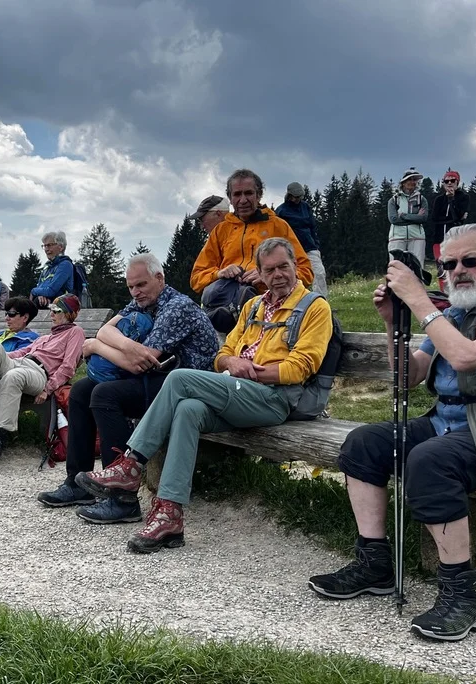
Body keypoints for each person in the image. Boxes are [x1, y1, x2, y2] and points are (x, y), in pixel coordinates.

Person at [307, 223, 476, 642]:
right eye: (448, 264)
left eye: (469, 261)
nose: (457, 271)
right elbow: (408, 377)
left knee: (429, 460)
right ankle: (374, 563)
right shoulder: (457, 314)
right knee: (364, 444)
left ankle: (463, 595)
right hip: (451, 421)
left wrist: (419, 300)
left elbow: (466, 357)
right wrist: (395, 321)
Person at [78, 238, 332, 553]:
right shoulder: (253, 305)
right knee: (188, 410)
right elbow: (222, 354)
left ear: (295, 266)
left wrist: (248, 370)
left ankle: (131, 466)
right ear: (260, 274)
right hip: (238, 390)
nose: (278, 274)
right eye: (269, 269)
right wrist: (232, 363)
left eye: (284, 266)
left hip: (275, 397)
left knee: (179, 379)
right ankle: (169, 515)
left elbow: (301, 367)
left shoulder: (315, 307)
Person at [37, 253, 220, 523]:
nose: (135, 292)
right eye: (131, 287)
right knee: (81, 390)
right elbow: (104, 331)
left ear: (160, 278)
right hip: (161, 380)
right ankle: (78, 484)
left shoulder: (177, 306)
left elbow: (139, 364)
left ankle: (122, 500)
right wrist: (126, 346)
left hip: (187, 389)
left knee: (105, 395)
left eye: (141, 285)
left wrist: (100, 347)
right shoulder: (142, 302)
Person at [0, 294, 85, 459]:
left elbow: (68, 367)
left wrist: (47, 390)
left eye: (56, 311)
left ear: (68, 313)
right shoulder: (46, 337)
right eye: (51, 310)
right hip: (21, 362)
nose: (51, 314)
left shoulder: (75, 332)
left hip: (39, 373)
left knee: (13, 376)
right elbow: (23, 352)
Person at [190, 169, 314, 332]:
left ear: (259, 195)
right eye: (237, 194)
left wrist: (268, 276)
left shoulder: (278, 226)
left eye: (248, 193)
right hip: (228, 313)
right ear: (230, 198)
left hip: (272, 312)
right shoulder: (221, 230)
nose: (243, 200)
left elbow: (306, 272)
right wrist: (220, 273)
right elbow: (196, 278)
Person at [275, 182, 328, 296]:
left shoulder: (306, 207)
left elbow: (312, 226)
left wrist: (315, 244)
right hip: (291, 250)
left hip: (310, 247)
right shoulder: (281, 211)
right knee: (296, 277)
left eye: (300, 197)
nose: (298, 199)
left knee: (319, 273)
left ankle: (322, 302)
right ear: (290, 195)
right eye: (296, 196)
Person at [388, 167, 429, 266]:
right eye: (409, 179)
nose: (412, 182)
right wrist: (415, 217)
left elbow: (423, 218)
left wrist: (403, 216)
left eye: (414, 179)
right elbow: (393, 219)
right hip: (397, 237)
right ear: (403, 182)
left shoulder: (422, 199)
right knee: (396, 266)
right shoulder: (394, 200)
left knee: (418, 267)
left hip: (417, 237)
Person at [31, 231, 75, 307]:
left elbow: (51, 291)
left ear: (60, 247)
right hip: (45, 304)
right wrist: (40, 295)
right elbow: (40, 287)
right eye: (44, 246)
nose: (46, 249)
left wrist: (33, 291)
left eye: (49, 245)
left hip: (61, 308)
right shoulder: (47, 267)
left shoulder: (65, 265)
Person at [431, 170, 470, 255]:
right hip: (439, 237)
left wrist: (451, 200)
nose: (449, 183)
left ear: (457, 182)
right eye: (446, 181)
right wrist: (453, 219)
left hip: (456, 237)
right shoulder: (439, 199)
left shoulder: (464, 197)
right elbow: (434, 218)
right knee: (440, 264)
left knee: (453, 263)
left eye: (452, 181)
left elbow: (457, 215)